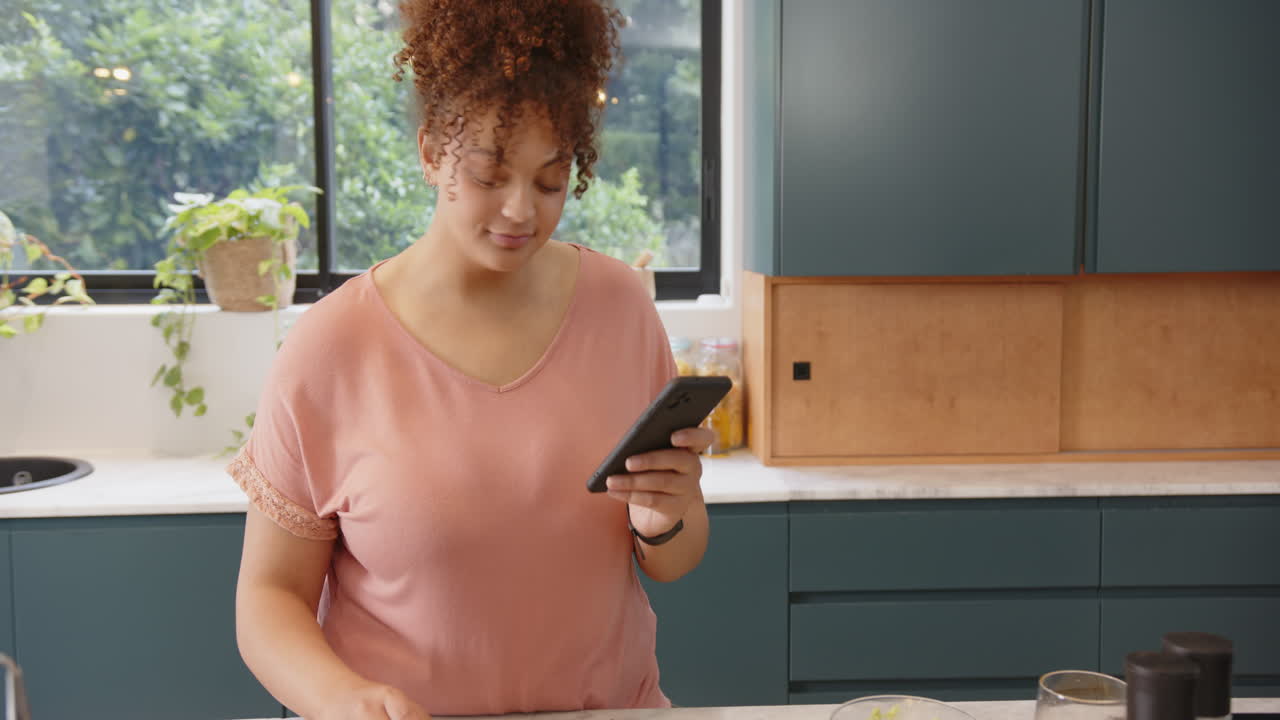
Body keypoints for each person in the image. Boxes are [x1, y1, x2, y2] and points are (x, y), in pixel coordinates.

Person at [228, 1, 715, 718]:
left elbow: (671, 559)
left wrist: (665, 515)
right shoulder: (331, 348)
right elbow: (268, 598)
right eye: (490, 175)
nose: (522, 210)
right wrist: (343, 698)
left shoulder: (621, 308)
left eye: (551, 180)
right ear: (432, 153)